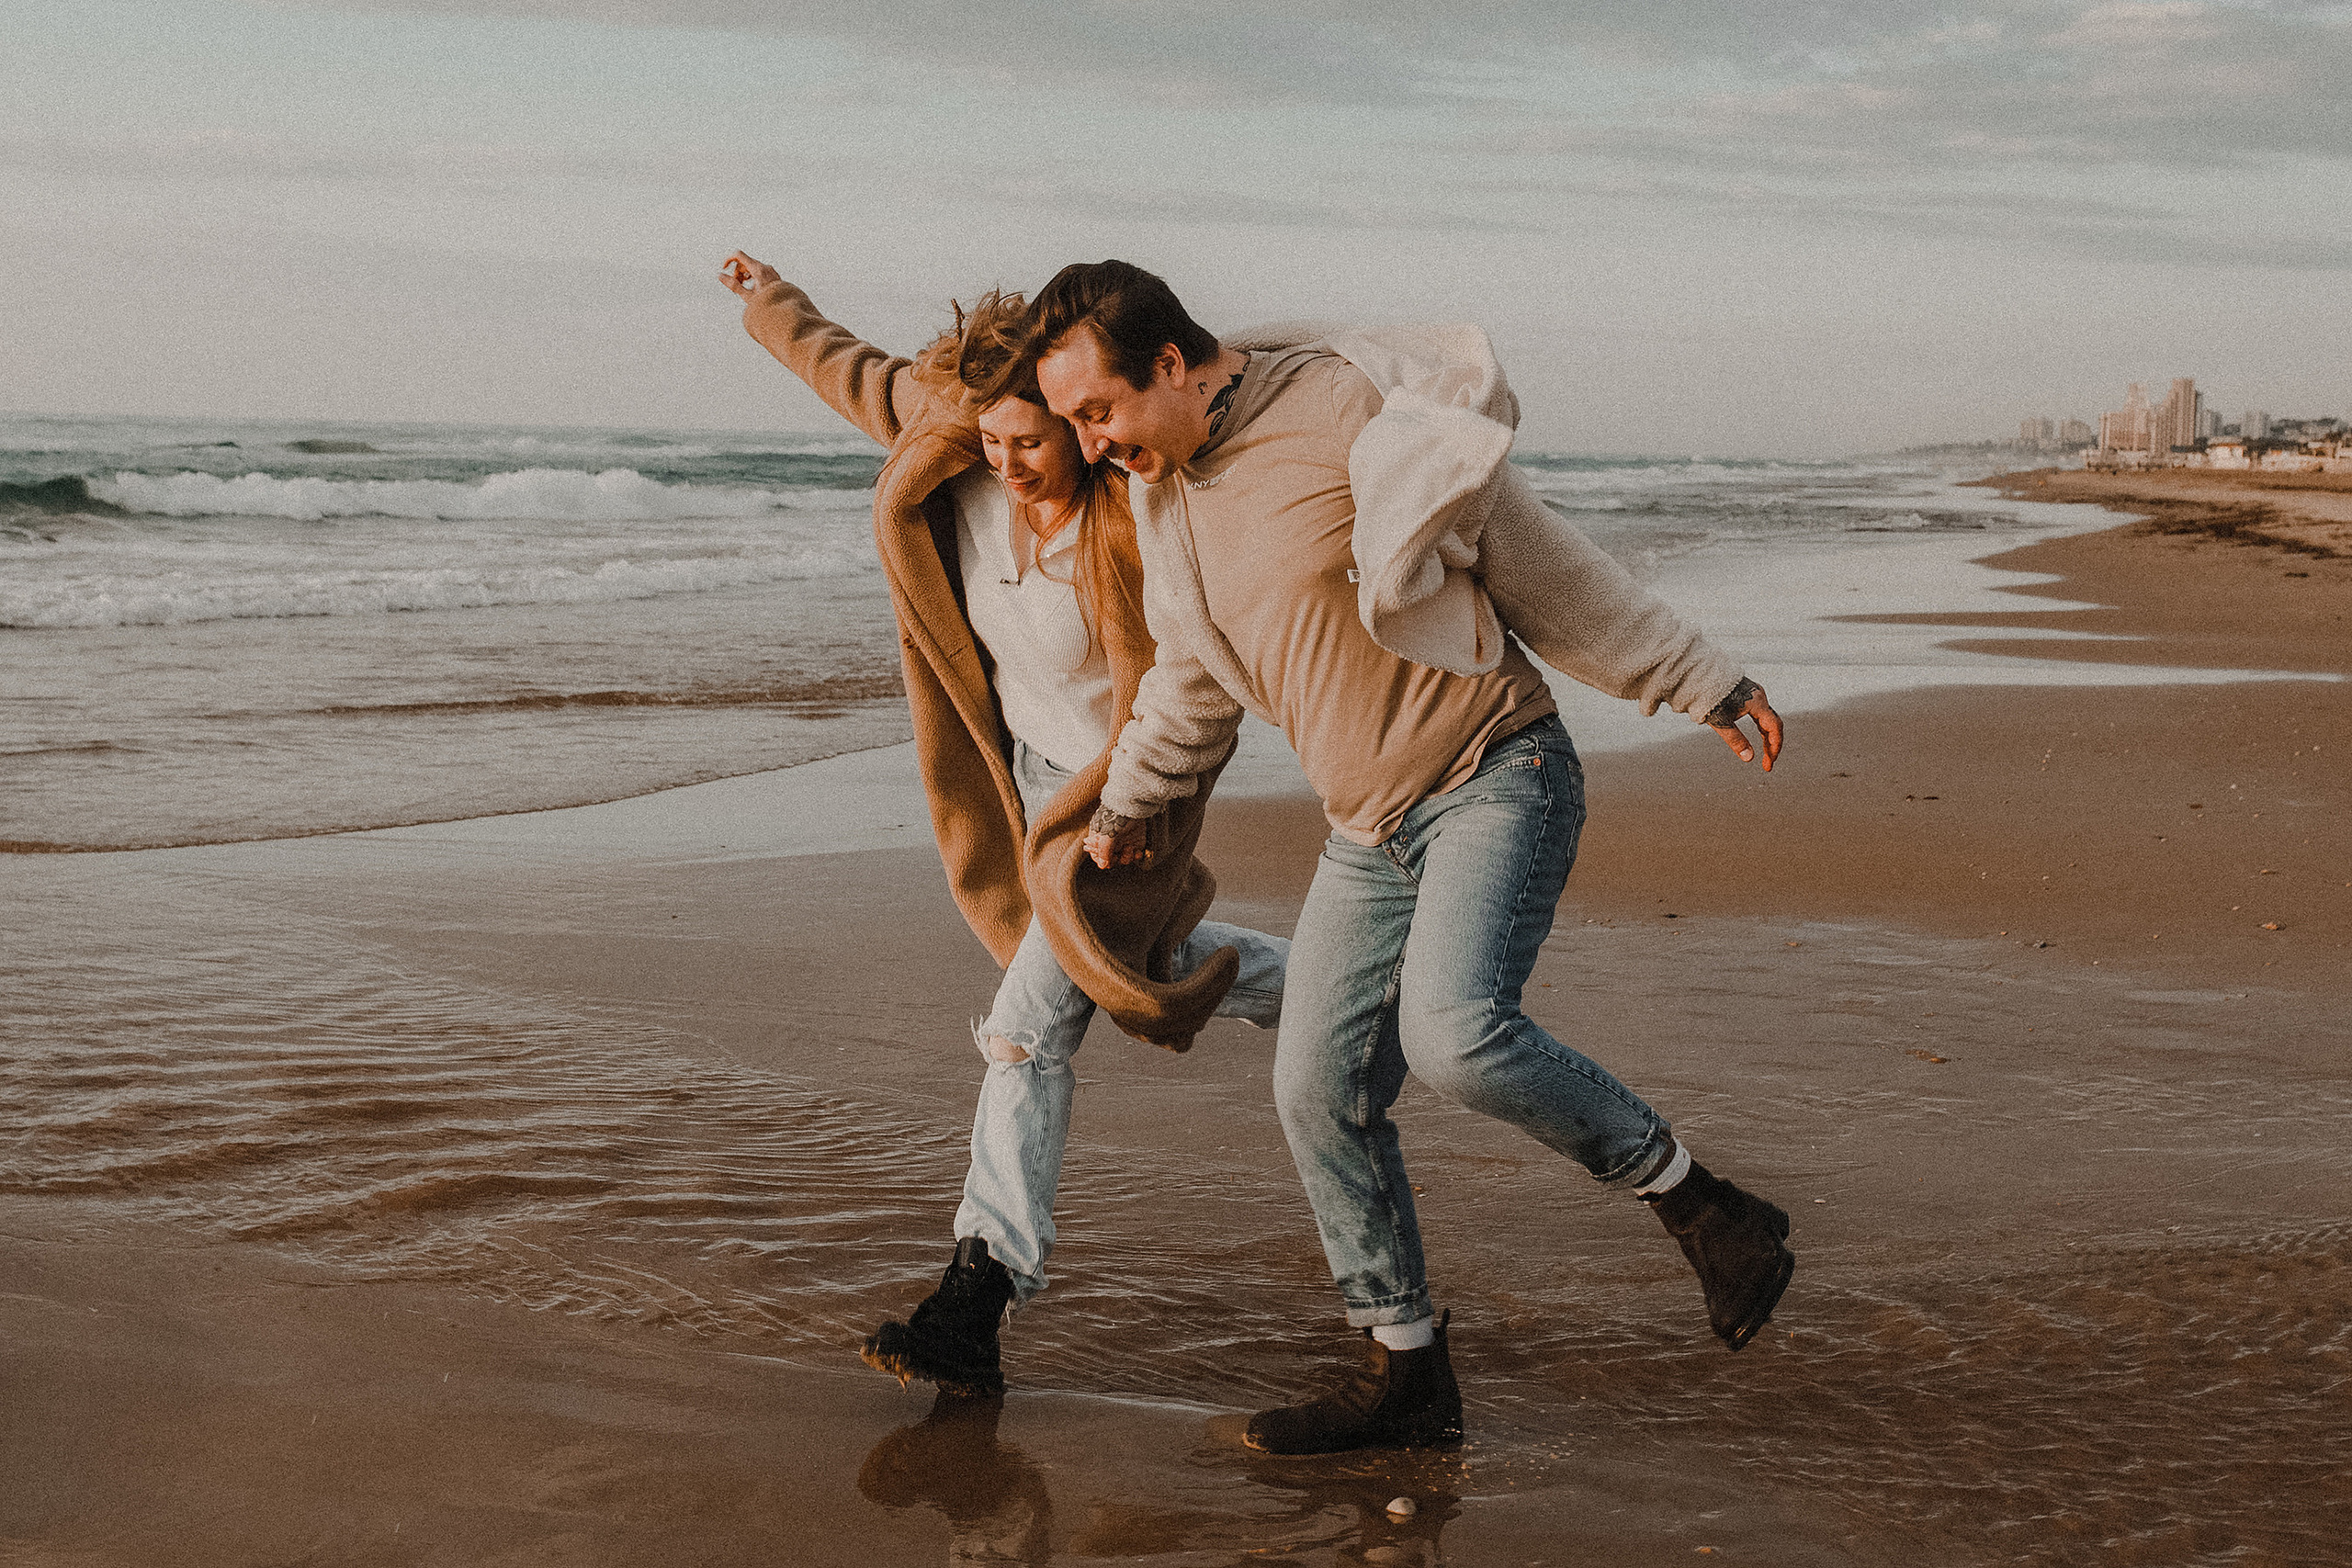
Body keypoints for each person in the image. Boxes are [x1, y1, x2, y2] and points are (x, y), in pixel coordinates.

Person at [979, 260, 1795, 1455]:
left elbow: (1528, 552)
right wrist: (1128, 802)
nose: (1090, 444)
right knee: (1317, 1090)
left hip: (1493, 773)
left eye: (1097, 412)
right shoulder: (1168, 496)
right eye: (1072, 426)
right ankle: (1406, 1367)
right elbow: (1192, 674)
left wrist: (1696, 674)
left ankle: (1703, 1202)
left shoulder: (1346, 408)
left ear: (1167, 363)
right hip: (1369, 831)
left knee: (1456, 1032)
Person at [718, 252, 1289, 1398]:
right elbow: (853, 375)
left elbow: (1199, 680)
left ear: (1083, 426)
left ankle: (978, 1292)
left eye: (1032, 440)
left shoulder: (1138, 519)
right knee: (1154, 963)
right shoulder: (963, 453)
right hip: (1024, 788)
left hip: (1126, 800)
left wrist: (1132, 806)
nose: (1007, 462)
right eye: (992, 440)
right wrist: (771, 302)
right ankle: (1361, 990)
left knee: (1027, 1026)